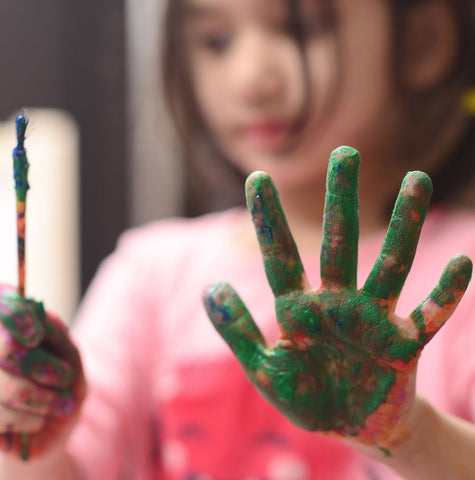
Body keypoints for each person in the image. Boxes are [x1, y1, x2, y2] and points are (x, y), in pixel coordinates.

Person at [0, 0, 475, 478]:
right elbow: (72, 466)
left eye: (302, 29)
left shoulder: (461, 278)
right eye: (216, 41)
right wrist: (29, 430)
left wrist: (411, 435)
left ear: (423, 41)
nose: (251, 78)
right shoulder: (151, 273)